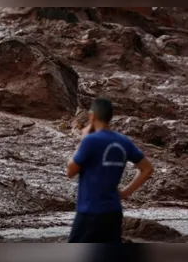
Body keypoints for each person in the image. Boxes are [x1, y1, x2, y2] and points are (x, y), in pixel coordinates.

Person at [66, 97, 154, 243]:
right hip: (113, 212)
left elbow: (70, 171)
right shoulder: (124, 141)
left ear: (92, 116)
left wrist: (82, 140)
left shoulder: (90, 140)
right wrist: (125, 192)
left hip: (90, 211)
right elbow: (147, 169)